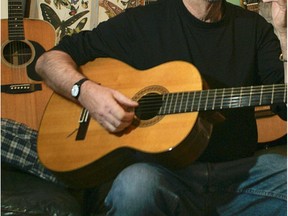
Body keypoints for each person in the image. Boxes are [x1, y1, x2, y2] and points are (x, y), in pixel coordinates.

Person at [35, 0, 287, 215]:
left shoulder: (254, 28)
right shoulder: (142, 23)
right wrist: (86, 92)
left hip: (241, 177)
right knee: (135, 186)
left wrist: (285, 35)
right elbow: (47, 61)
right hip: (164, 177)